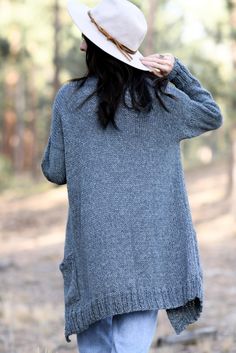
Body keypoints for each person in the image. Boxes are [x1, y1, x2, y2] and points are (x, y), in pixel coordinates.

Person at [40, 0, 224, 352]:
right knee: (131, 346)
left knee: (94, 347)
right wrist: (178, 73)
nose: (81, 45)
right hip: (152, 248)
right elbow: (210, 115)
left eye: (86, 38)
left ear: (96, 47)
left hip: (94, 249)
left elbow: (54, 170)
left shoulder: (68, 99)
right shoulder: (161, 97)